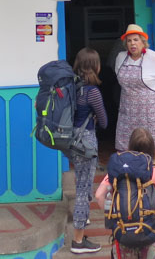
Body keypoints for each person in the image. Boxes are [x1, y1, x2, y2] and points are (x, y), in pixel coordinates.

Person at [94, 128, 155, 259]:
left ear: (130, 147)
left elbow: (99, 195)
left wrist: (115, 214)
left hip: (123, 234)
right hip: (151, 234)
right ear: (153, 149)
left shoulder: (118, 172)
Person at [113, 25, 155, 165]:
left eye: (136, 40)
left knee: (152, 145)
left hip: (153, 111)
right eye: (129, 41)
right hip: (129, 111)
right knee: (126, 146)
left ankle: (152, 179)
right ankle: (130, 179)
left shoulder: (154, 58)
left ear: (142, 42)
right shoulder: (121, 58)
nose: (132, 44)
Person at [68, 48, 108, 255]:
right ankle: (77, 241)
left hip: (71, 142)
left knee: (80, 185)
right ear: (96, 66)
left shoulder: (70, 88)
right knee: (84, 191)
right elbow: (104, 122)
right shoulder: (92, 92)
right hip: (86, 143)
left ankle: (80, 233)